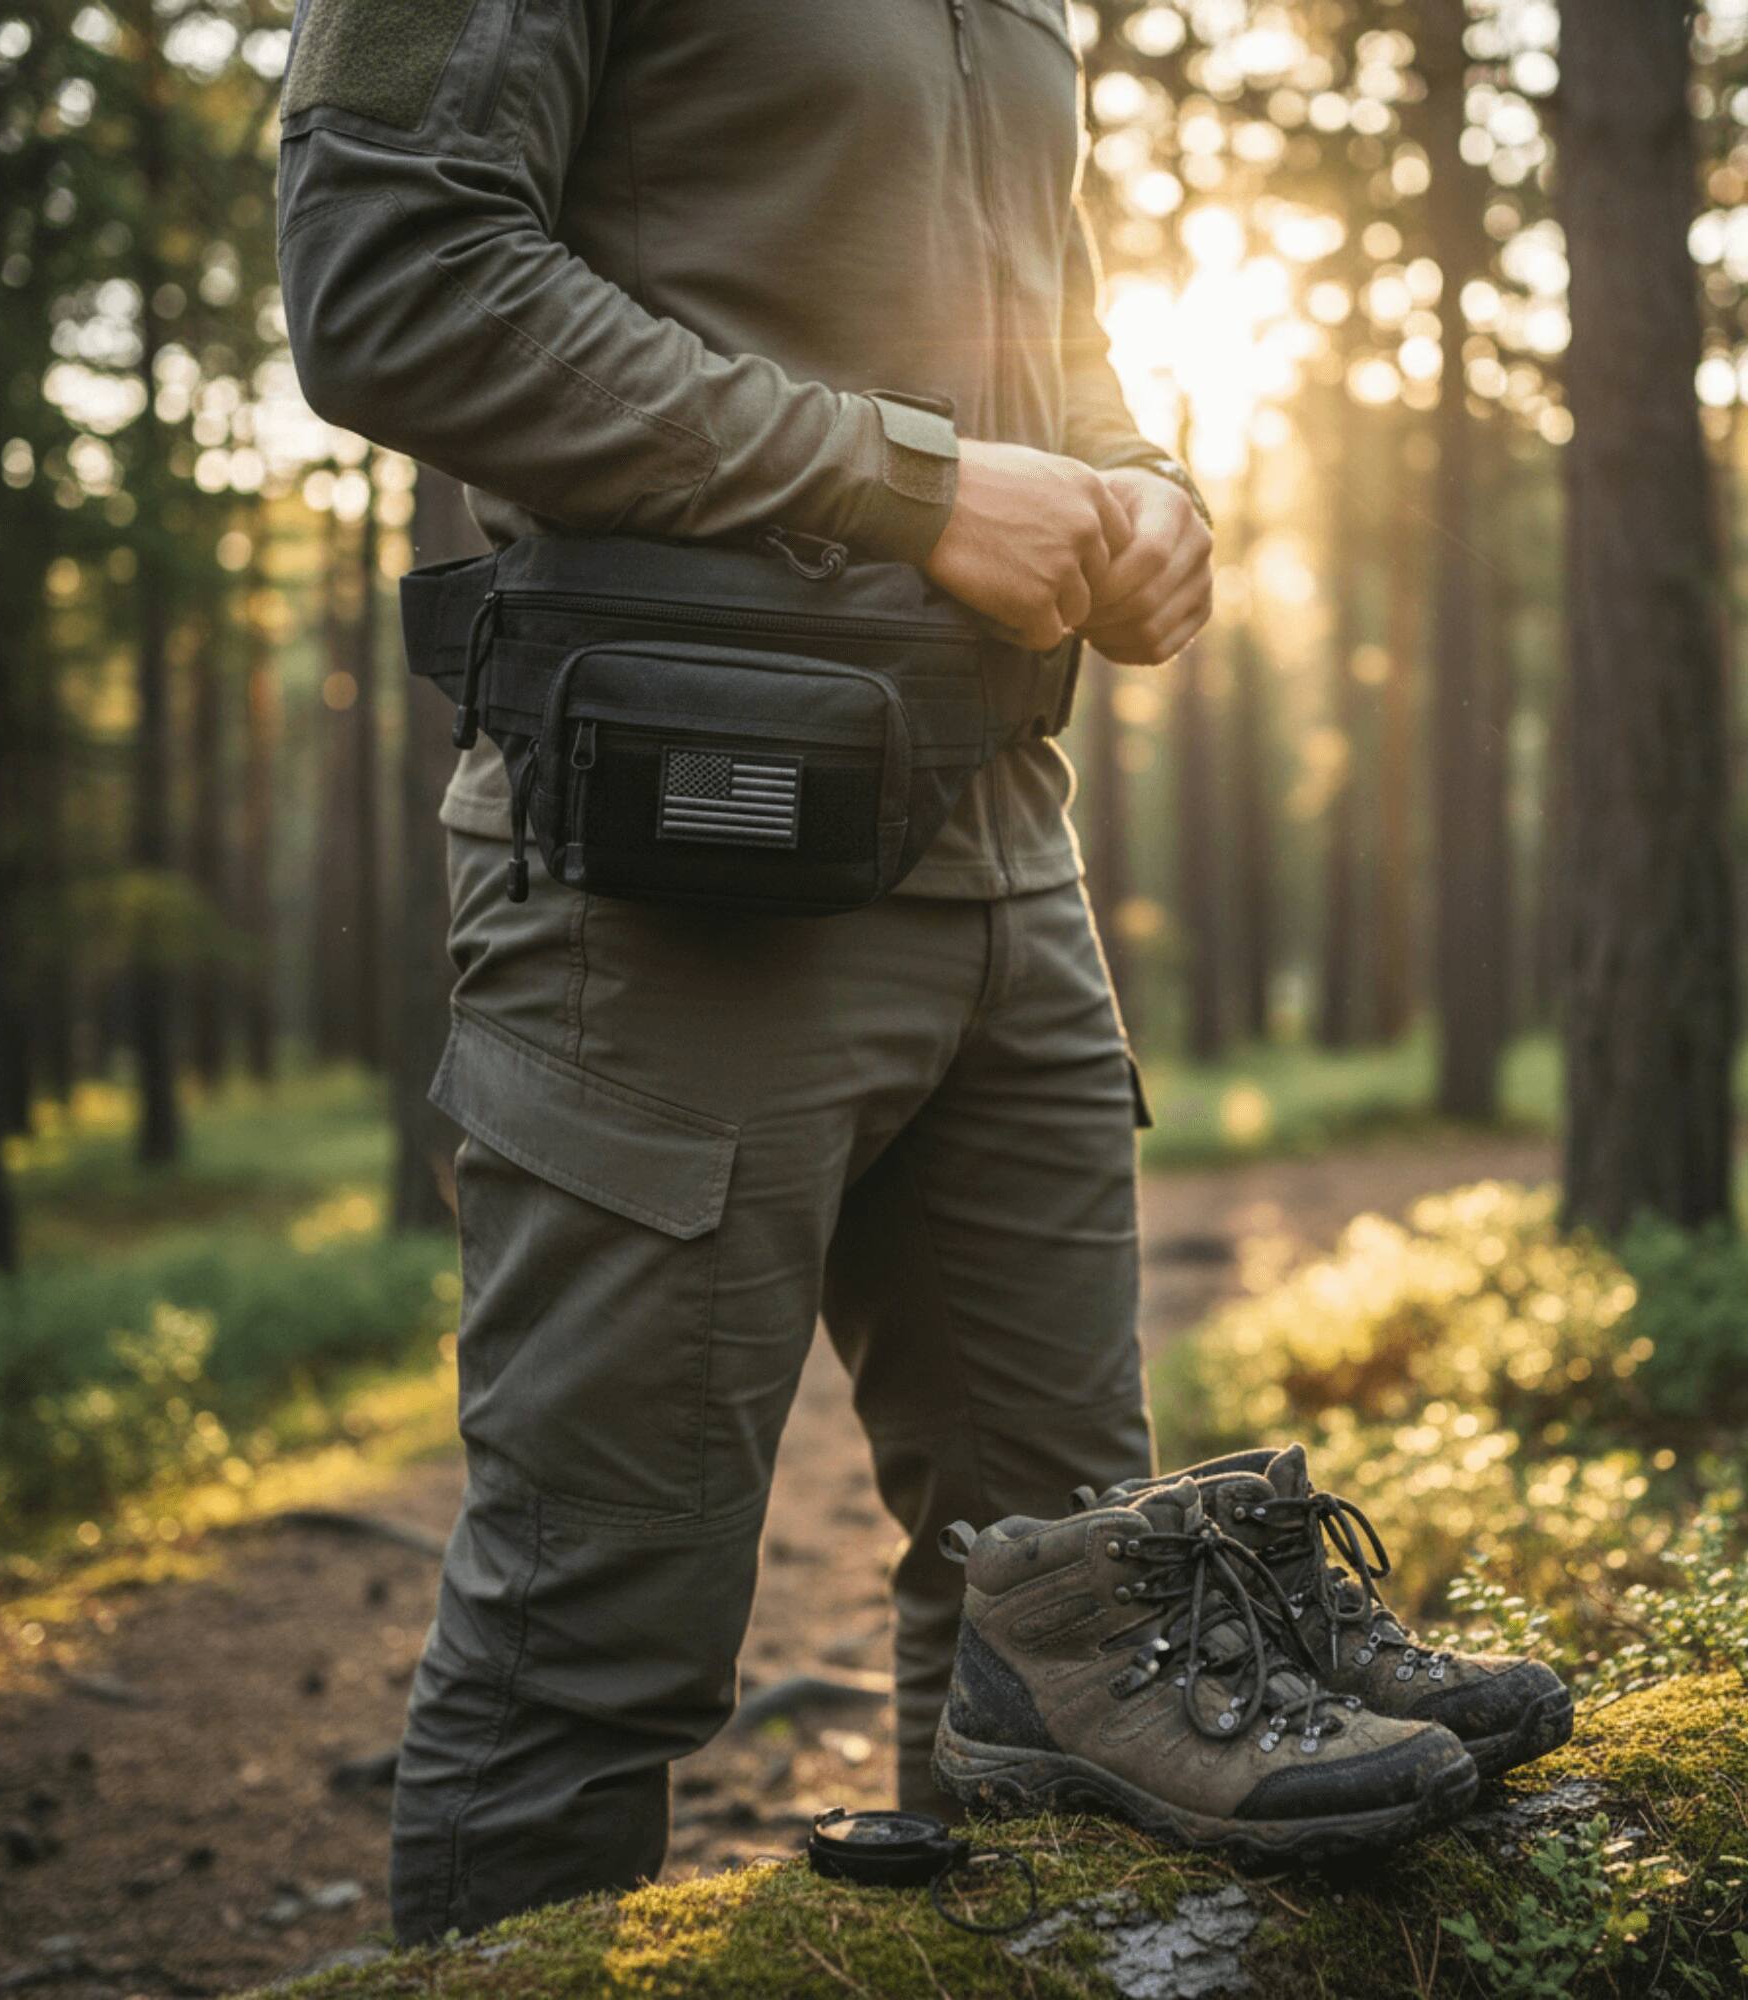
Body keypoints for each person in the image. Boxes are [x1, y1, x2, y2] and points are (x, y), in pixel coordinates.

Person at [275, 0, 1213, 1944]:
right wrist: (912, 483)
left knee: (1066, 1620)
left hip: (1003, 852)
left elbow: (1052, 332)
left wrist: (1138, 485)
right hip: (667, 865)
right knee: (587, 1646)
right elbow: (392, 277)